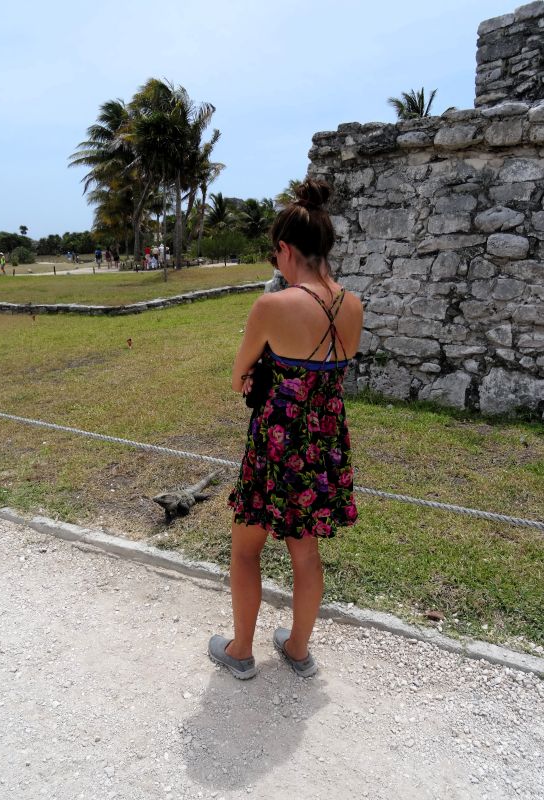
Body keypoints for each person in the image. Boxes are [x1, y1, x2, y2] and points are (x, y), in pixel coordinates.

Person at [208, 179, 363, 680]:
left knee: (245, 549)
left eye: (275, 254)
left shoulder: (272, 306)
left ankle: (241, 650)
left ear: (285, 249)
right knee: (306, 553)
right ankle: (297, 649)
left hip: (275, 445)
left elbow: (238, 377)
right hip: (323, 444)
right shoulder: (354, 304)